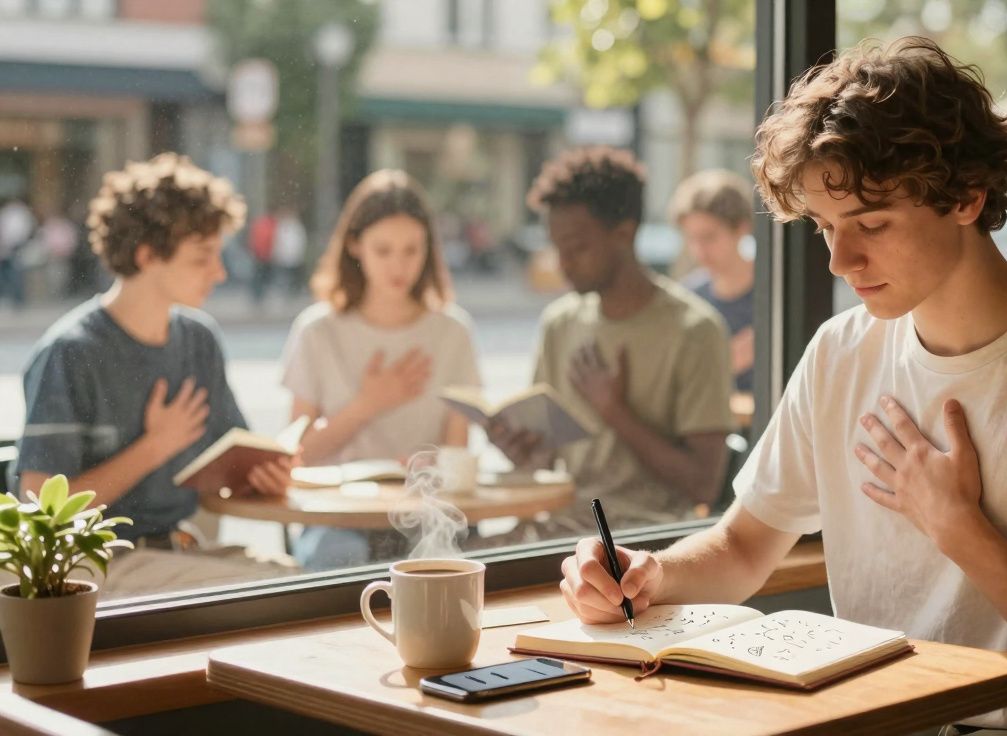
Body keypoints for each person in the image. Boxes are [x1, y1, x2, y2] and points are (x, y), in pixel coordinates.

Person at [558, 38, 1007, 735]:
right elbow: (743, 548)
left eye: (871, 224)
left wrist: (959, 528)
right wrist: (647, 574)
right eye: (826, 226)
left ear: (966, 198)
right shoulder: (842, 352)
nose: (839, 259)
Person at [10, 153, 294, 597]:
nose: (219, 273)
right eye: (203, 258)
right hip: (94, 566)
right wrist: (154, 447)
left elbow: (230, 459)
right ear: (146, 256)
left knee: (299, 579)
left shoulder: (200, 340)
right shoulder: (72, 352)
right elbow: (41, 509)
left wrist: (262, 477)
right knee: (280, 590)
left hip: (176, 552)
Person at [489, 147, 735, 538]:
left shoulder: (694, 330)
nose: (563, 263)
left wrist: (613, 410)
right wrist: (523, 452)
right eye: (557, 248)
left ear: (624, 233)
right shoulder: (560, 323)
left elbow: (702, 484)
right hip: (560, 527)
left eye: (577, 248)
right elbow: (546, 459)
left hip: (645, 538)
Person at [280, 170, 479, 568]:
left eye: (412, 250)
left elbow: (458, 451)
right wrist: (368, 404)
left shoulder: (452, 332)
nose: (399, 266)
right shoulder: (317, 331)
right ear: (355, 245)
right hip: (337, 520)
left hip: (426, 514)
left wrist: (431, 468)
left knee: (455, 556)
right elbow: (294, 457)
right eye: (383, 250)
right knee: (341, 557)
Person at [670, 170, 757, 392]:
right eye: (691, 238)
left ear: (741, 229)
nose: (699, 251)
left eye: (709, 237)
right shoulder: (687, 298)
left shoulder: (774, 294)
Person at [0, 196, 35, 309]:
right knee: (12, 273)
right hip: (11, 245)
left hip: (15, 245)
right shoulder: (18, 213)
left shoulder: (18, 213)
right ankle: (14, 298)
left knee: (15, 273)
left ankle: (17, 299)